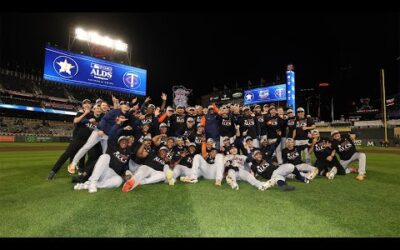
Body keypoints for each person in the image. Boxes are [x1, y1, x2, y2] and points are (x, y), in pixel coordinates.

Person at [74, 116, 132, 193]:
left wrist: (127, 172)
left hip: (112, 175)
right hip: (104, 170)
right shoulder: (112, 146)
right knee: (105, 156)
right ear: (118, 142)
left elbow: (126, 166)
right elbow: (111, 134)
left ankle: (91, 185)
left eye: (125, 141)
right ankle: (93, 182)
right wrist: (118, 124)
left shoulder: (129, 152)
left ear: (128, 143)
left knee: (119, 181)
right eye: (122, 141)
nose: (124, 142)